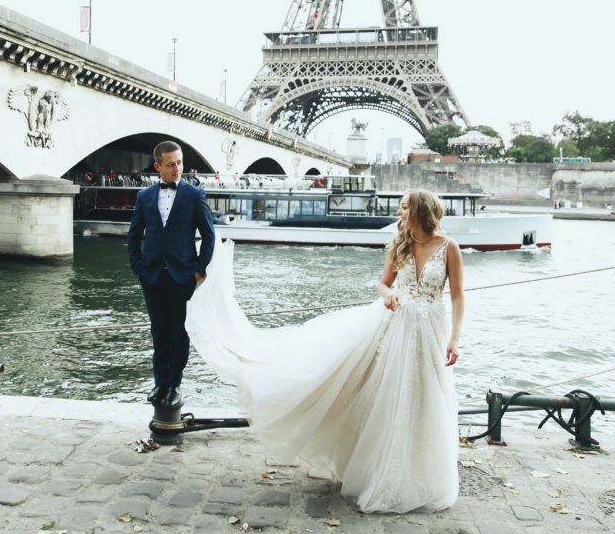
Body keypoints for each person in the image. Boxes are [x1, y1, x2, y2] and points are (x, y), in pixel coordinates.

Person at [186, 189, 464, 513]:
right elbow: (383, 283)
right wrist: (388, 294)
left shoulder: (449, 248)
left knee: (425, 401)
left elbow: (457, 296)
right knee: (386, 399)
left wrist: (454, 339)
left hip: (429, 331)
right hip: (396, 327)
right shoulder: (399, 244)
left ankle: (421, 475)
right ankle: (383, 470)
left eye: (404, 208)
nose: (400, 213)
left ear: (420, 211)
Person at [127, 141, 216, 408]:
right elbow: (134, 235)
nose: (177, 168)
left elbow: (209, 235)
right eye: (170, 164)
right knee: (158, 332)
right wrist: (137, 267)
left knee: (179, 333)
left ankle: (174, 385)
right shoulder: (144, 197)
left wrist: (199, 271)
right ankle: (159, 383)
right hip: (152, 275)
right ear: (158, 167)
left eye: (179, 163)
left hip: (183, 276)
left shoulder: (194, 195)